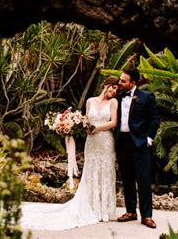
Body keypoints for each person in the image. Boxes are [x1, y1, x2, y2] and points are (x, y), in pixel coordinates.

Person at [19, 77, 119, 230]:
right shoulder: (90, 101)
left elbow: (113, 122)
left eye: (116, 90)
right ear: (105, 86)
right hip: (91, 142)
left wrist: (95, 128)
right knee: (90, 169)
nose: (113, 92)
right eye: (111, 88)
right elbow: (86, 120)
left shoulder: (113, 103)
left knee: (105, 170)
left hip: (105, 141)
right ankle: (91, 207)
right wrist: (74, 123)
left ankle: (104, 210)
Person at [115, 69, 160, 229]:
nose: (119, 83)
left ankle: (147, 216)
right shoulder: (118, 97)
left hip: (140, 143)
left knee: (143, 180)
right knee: (127, 178)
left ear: (133, 83)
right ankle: (130, 211)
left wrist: (148, 139)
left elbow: (154, 119)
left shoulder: (146, 97)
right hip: (122, 142)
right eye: (120, 80)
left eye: (123, 81)